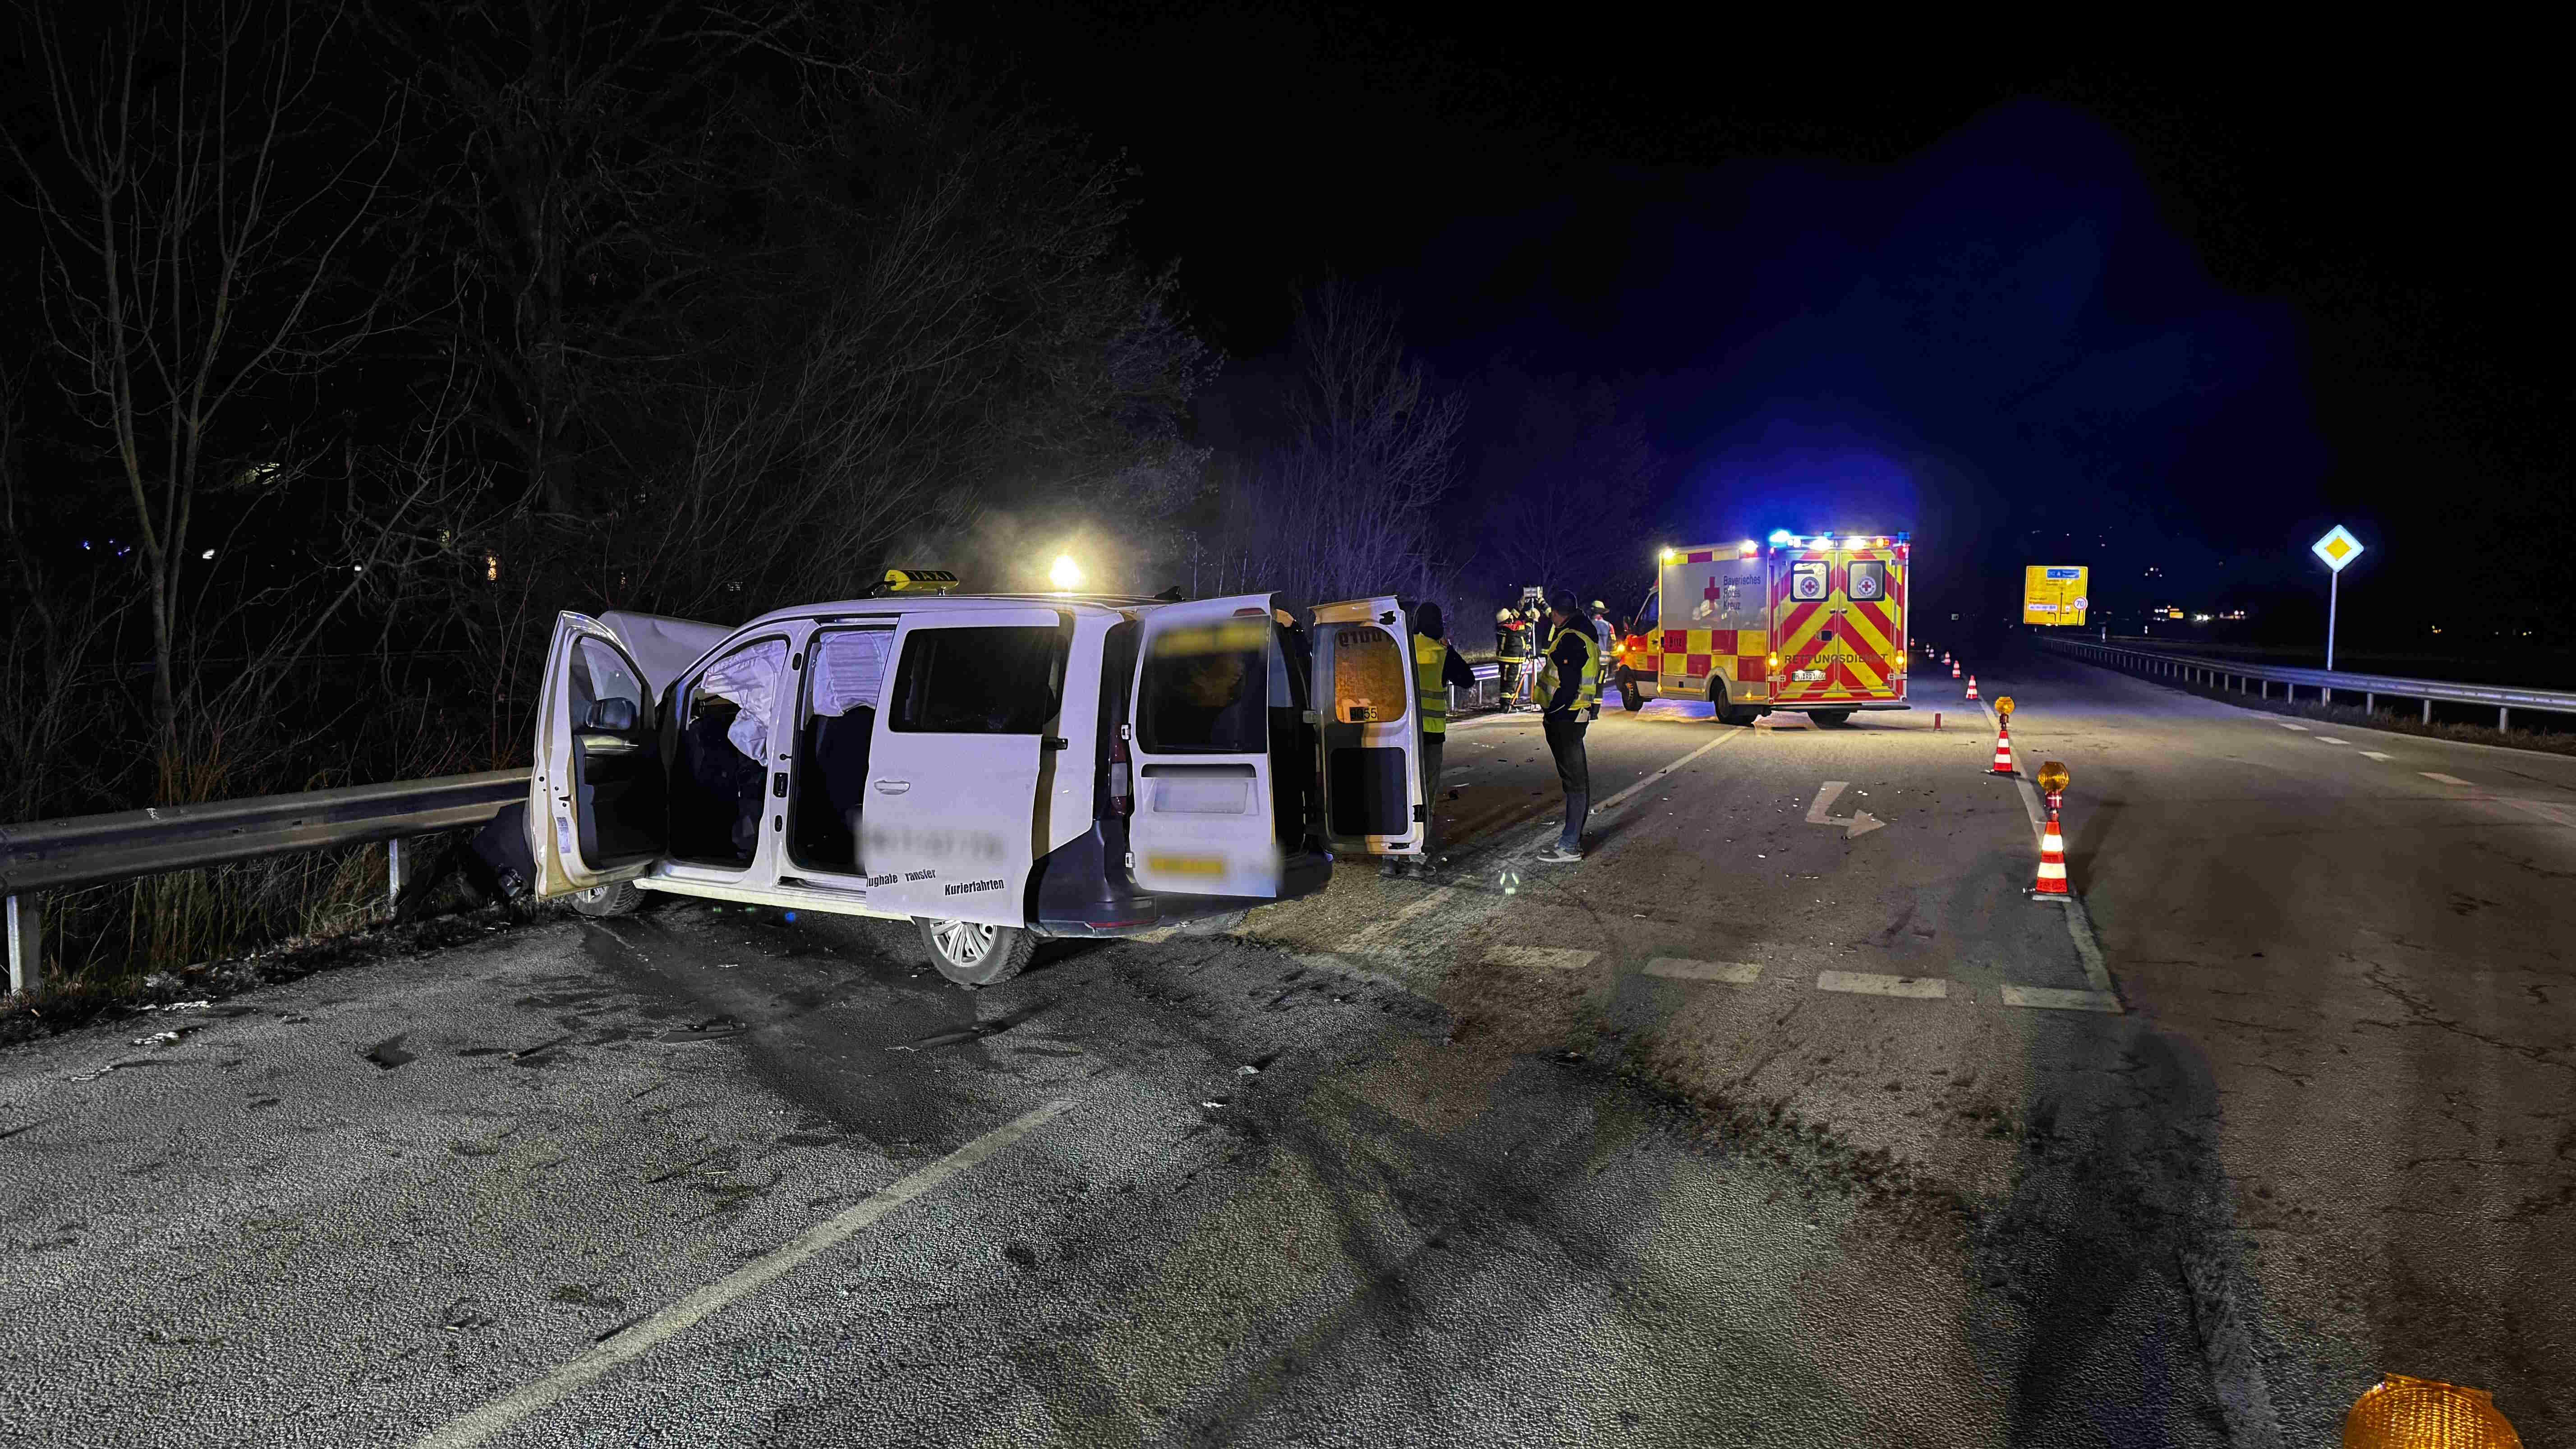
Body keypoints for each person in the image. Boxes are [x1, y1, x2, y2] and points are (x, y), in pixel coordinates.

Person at [1387, 602, 1477, 878]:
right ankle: (1417, 858)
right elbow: (1468, 679)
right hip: (1431, 735)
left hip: (1401, 735)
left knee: (1398, 792)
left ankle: (1391, 857)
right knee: (1424, 795)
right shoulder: (1441, 653)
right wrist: (1449, 648)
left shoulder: (1399, 647)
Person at [1533, 589, 1601, 863]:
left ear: (1558, 615)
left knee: (1575, 783)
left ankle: (1570, 845)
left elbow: (1569, 683)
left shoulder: (1571, 639)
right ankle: (1571, 840)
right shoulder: (1584, 634)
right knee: (1575, 781)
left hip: (1567, 718)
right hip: (1576, 716)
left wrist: (1554, 712)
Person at [1494, 607, 1525, 704]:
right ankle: (1507, 705)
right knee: (1511, 682)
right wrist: (1530, 620)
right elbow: (1524, 629)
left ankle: (1509, 702)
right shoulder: (1512, 630)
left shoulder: (1501, 628)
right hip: (1513, 660)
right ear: (1508, 620)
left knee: (1505, 682)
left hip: (1504, 659)